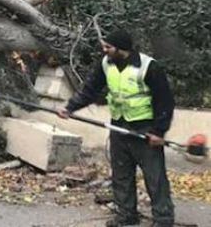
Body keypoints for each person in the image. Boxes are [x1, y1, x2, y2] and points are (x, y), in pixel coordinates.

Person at [57, 29, 175, 227]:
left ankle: (163, 219)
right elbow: (90, 89)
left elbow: (165, 101)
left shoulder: (148, 67)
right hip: (119, 127)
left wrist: (158, 132)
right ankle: (126, 216)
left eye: (108, 47)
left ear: (121, 48)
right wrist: (70, 107)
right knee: (121, 175)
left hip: (144, 129)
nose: (104, 50)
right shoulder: (106, 64)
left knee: (155, 178)